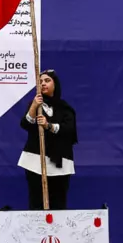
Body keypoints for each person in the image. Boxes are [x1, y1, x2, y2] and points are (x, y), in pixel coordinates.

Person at [19, 70, 77, 210]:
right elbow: (26, 124)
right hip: (35, 161)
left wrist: (48, 126)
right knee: (36, 200)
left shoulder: (65, 108)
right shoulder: (35, 106)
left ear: (55, 84)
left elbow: (68, 129)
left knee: (58, 201)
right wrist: (34, 105)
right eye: (40, 82)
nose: (43, 83)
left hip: (59, 162)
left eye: (47, 80)